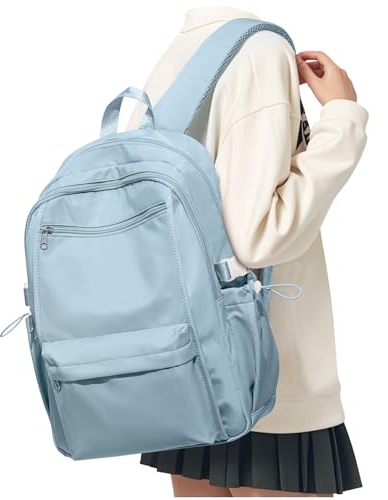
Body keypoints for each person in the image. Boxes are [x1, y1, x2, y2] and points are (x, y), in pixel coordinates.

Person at [126, 6, 368, 498]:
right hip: (267, 372)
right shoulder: (259, 50)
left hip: (187, 367)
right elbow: (258, 237)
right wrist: (342, 120)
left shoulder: (182, 50)